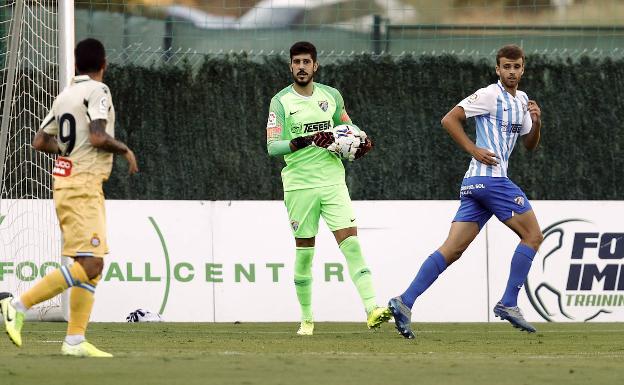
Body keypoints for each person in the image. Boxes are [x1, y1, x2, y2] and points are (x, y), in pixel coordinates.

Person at [388, 44, 543, 339]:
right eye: (506, 67)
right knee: (533, 236)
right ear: (498, 69)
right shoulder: (489, 95)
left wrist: (537, 122)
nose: (511, 72)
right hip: (491, 180)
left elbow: (529, 144)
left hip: (475, 186)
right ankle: (509, 303)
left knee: (452, 249)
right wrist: (473, 149)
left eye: (517, 67)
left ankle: (404, 302)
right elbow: (449, 119)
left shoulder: (522, 100)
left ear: (523, 69)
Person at [0, 38, 138, 356]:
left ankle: (75, 339)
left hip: (70, 182)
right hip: (82, 184)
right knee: (91, 262)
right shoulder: (98, 91)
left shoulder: (65, 95)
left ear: (76, 65)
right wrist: (125, 149)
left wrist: (69, 151)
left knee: (92, 264)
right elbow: (98, 135)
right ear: (104, 64)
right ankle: (17, 306)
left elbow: (39, 141)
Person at [266, 41, 389, 335]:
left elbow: (348, 129)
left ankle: (373, 309)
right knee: (305, 253)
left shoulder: (331, 96)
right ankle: (307, 320)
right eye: (296, 62)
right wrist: (306, 141)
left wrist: (361, 142)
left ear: (315, 65)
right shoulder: (280, 102)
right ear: (290, 67)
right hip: (299, 186)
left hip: (333, 182)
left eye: (306, 62)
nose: (301, 67)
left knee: (352, 246)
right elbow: (273, 147)